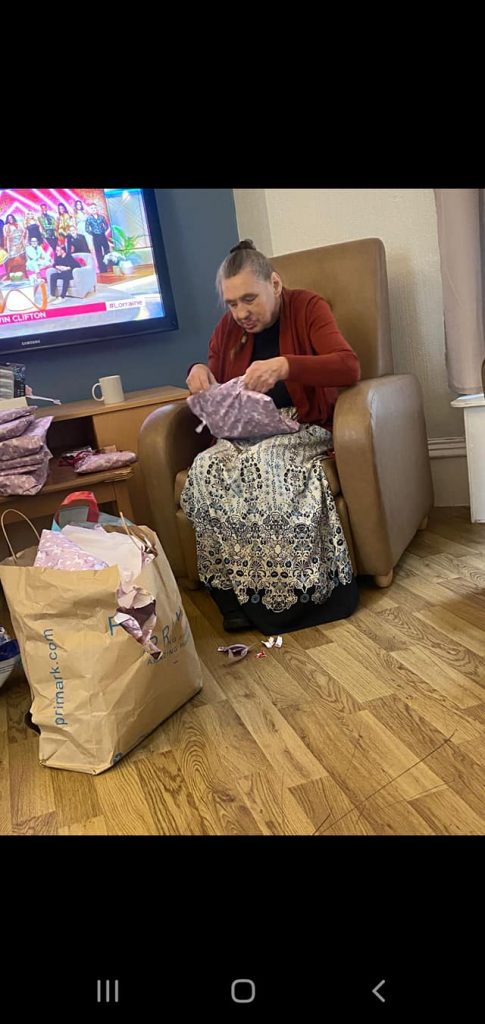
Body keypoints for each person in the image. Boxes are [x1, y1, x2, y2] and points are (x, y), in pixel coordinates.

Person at [180, 240, 361, 634]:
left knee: (265, 464)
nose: (241, 313)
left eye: (249, 299)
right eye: (232, 303)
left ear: (275, 284)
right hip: (246, 431)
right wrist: (198, 372)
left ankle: (293, 601)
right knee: (205, 468)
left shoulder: (308, 307)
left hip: (301, 425)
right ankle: (234, 599)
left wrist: (285, 366)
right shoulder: (228, 329)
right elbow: (216, 378)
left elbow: (348, 367)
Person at [85, 202, 110, 272]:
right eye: (92, 208)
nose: (94, 209)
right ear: (90, 210)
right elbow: (86, 229)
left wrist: (103, 231)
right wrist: (93, 233)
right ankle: (102, 268)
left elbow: (106, 225)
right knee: (98, 253)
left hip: (102, 236)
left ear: (97, 209)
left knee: (107, 250)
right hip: (95, 237)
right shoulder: (89, 218)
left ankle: (110, 266)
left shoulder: (101, 217)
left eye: (95, 208)